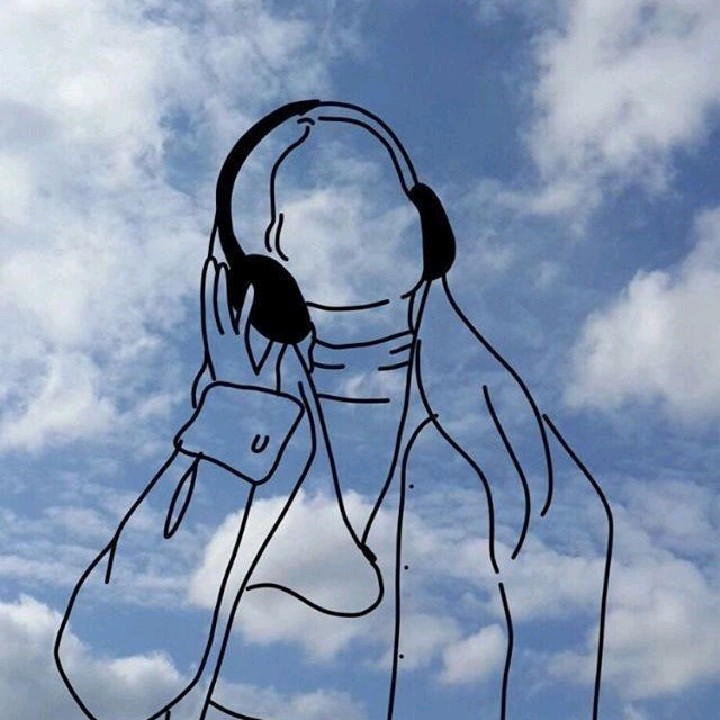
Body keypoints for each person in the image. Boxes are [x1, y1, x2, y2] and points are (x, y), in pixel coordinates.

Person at [56, 101, 612, 720]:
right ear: (266, 264)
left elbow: (562, 658)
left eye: (381, 193)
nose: (363, 217)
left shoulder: (509, 446)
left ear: (427, 223)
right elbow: (109, 673)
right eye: (310, 202)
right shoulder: (242, 417)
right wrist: (237, 415)